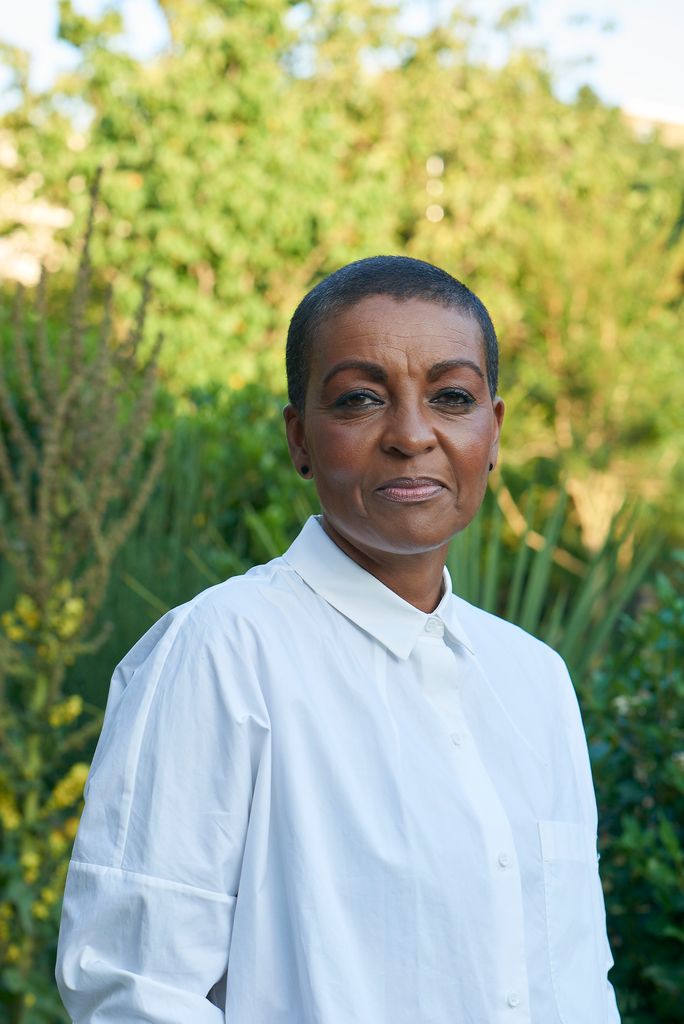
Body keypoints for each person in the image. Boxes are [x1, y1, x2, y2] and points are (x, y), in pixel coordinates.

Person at [56, 256, 620, 1023]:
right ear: (299, 439)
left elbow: (576, 978)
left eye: (452, 397)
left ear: (493, 432)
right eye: (360, 399)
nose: (412, 435)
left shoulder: (534, 680)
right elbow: (132, 990)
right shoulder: (224, 653)